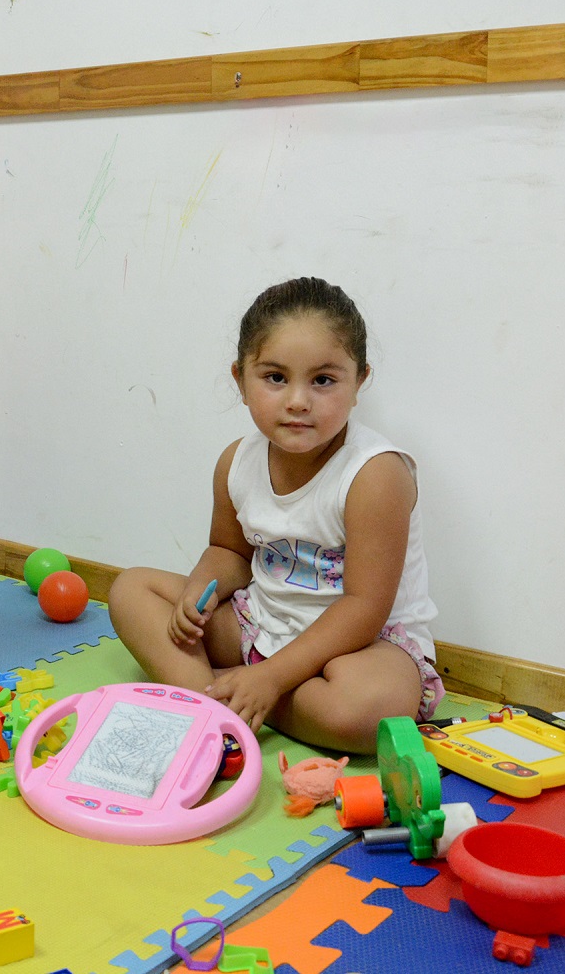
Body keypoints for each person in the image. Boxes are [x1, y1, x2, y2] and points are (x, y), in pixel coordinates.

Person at [109, 278, 441, 753]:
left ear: (358, 382)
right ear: (240, 380)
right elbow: (229, 552)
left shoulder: (375, 475)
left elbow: (365, 608)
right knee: (131, 591)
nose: (298, 401)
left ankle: (223, 694)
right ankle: (221, 704)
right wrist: (201, 590)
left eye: (323, 380)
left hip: (359, 645)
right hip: (263, 622)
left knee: (370, 711)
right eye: (275, 377)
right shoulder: (236, 461)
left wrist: (271, 677)